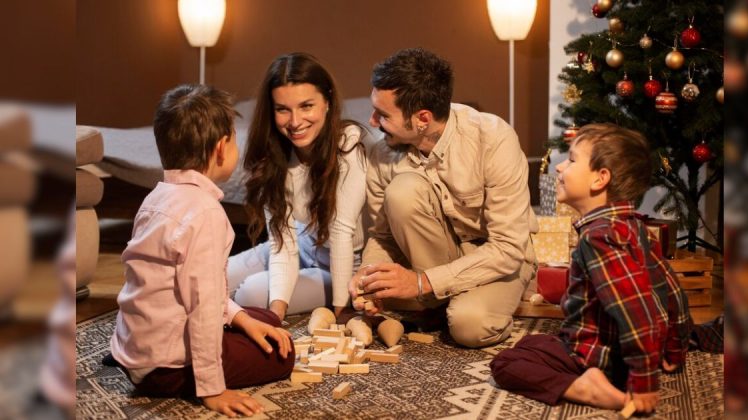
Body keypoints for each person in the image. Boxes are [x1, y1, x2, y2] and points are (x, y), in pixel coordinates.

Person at [109, 84, 294, 418]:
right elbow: (204, 306)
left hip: (134, 348)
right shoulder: (206, 215)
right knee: (284, 353)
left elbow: (181, 285)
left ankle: (238, 326)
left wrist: (241, 319)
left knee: (262, 319)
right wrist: (213, 389)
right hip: (164, 369)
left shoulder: (157, 197)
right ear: (222, 149)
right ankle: (190, 376)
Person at [490, 123, 691, 415]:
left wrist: (644, 378)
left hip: (604, 359)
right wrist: (674, 348)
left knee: (506, 363)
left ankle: (585, 388)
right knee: (534, 341)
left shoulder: (600, 237)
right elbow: (670, 288)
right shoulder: (635, 225)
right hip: (625, 352)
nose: (559, 168)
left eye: (571, 160)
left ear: (600, 179)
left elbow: (637, 310)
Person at [349, 48, 537, 348]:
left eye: (383, 114)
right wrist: (369, 278)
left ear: (422, 118)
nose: (372, 121)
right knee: (403, 190)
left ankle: (459, 303)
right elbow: (382, 237)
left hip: (498, 258)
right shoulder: (382, 152)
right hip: (436, 261)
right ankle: (437, 305)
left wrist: (421, 283)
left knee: (470, 327)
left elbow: (508, 248)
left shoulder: (493, 137)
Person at [227, 52, 369, 322]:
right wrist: (276, 316)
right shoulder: (274, 157)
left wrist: (342, 311)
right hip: (300, 247)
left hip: (339, 265)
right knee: (214, 276)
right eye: (283, 109)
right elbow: (283, 245)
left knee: (249, 295)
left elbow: (341, 232)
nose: (295, 122)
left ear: (327, 102)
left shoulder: (348, 143)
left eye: (306, 106)